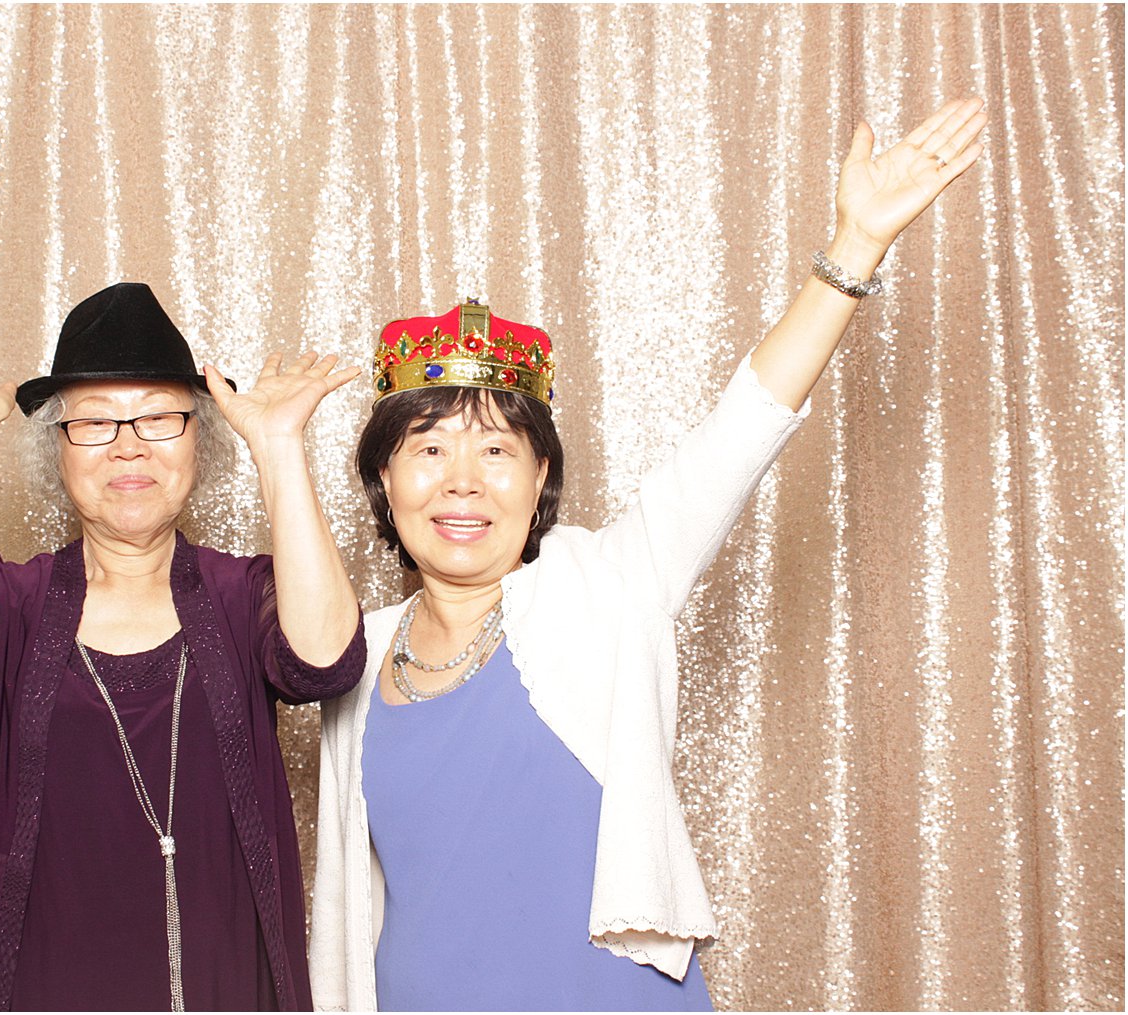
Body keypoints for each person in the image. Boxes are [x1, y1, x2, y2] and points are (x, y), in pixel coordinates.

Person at [310, 98, 988, 1011]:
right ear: (384, 481)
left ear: (540, 474)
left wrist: (852, 253)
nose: (462, 481)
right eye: (429, 448)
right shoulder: (348, 652)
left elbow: (739, 435)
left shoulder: (606, 585)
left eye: (497, 449)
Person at [0, 282, 365, 1011]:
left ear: (200, 437)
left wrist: (279, 445)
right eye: (95, 422)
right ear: (58, 453)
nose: (129, 444)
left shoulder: (244, 592)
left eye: (159, 418)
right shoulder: (16, 599)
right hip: (44, 985)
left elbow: (325, 658)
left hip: (223, 980)